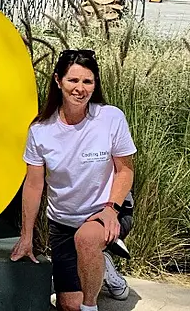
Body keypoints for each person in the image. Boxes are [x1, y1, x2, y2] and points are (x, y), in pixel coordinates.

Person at [11, 50, 136, 311]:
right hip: (64, 222)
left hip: (108, 210)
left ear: (95, 83)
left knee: (88, 239)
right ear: (58, 81)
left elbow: (125, 170)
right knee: (68, 305)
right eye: (73, 81)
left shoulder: (111, 117)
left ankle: (91, 304)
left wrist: (111, 209)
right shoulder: (40, 130)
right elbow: (34, 185)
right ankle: (102, 266)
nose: (80, 89)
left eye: (88, 82)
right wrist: (26, 235)